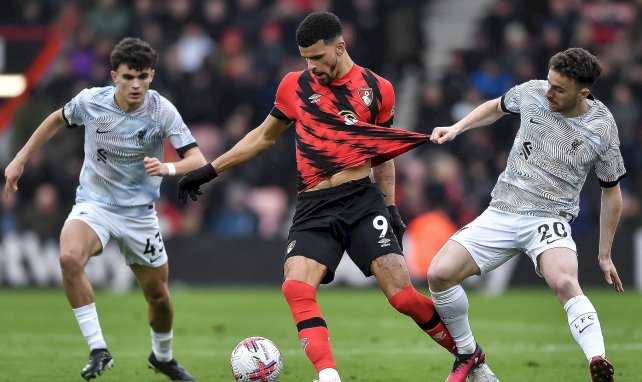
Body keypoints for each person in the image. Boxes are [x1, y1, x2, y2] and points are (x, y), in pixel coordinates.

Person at [177, 11, 498, 382]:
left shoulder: (377, 89)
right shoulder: (293, 86)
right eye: (305, 59)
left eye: (317, 57)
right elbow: (263, 137)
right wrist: (209, 169)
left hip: (361, 200)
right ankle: (329, 375)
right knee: (295, 286)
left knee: (402, 297)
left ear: (339, 47)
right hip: (313, 205)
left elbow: (383, 153)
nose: (311, 66)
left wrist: (391, 206)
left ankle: (470, 355)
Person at [4, 37, 205, 381]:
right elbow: (55, 119)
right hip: (94, 205)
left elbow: (198, 159)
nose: (136, 84)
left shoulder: (161, 110)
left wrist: (167, 168)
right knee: (69, 258)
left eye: (142, 76)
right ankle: (98, 349)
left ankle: (163, 357)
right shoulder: (90, 102)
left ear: (152, 76)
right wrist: (20, 158)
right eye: (128, 76)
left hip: (140, 215)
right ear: (114, 76)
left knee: (158, 297)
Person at [427, 47, 626, 382]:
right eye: (549, 83)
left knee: (564, 281)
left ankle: (597, 359)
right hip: (503, 209)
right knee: (438, 273)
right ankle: (470, 357)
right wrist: (457, 128)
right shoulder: (533, 92)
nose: (548, 92)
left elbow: (612, 191)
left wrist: (605, 255)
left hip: (550, 218)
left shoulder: (602, 128)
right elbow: (496, 106)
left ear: (583, 92)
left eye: (559, 89)